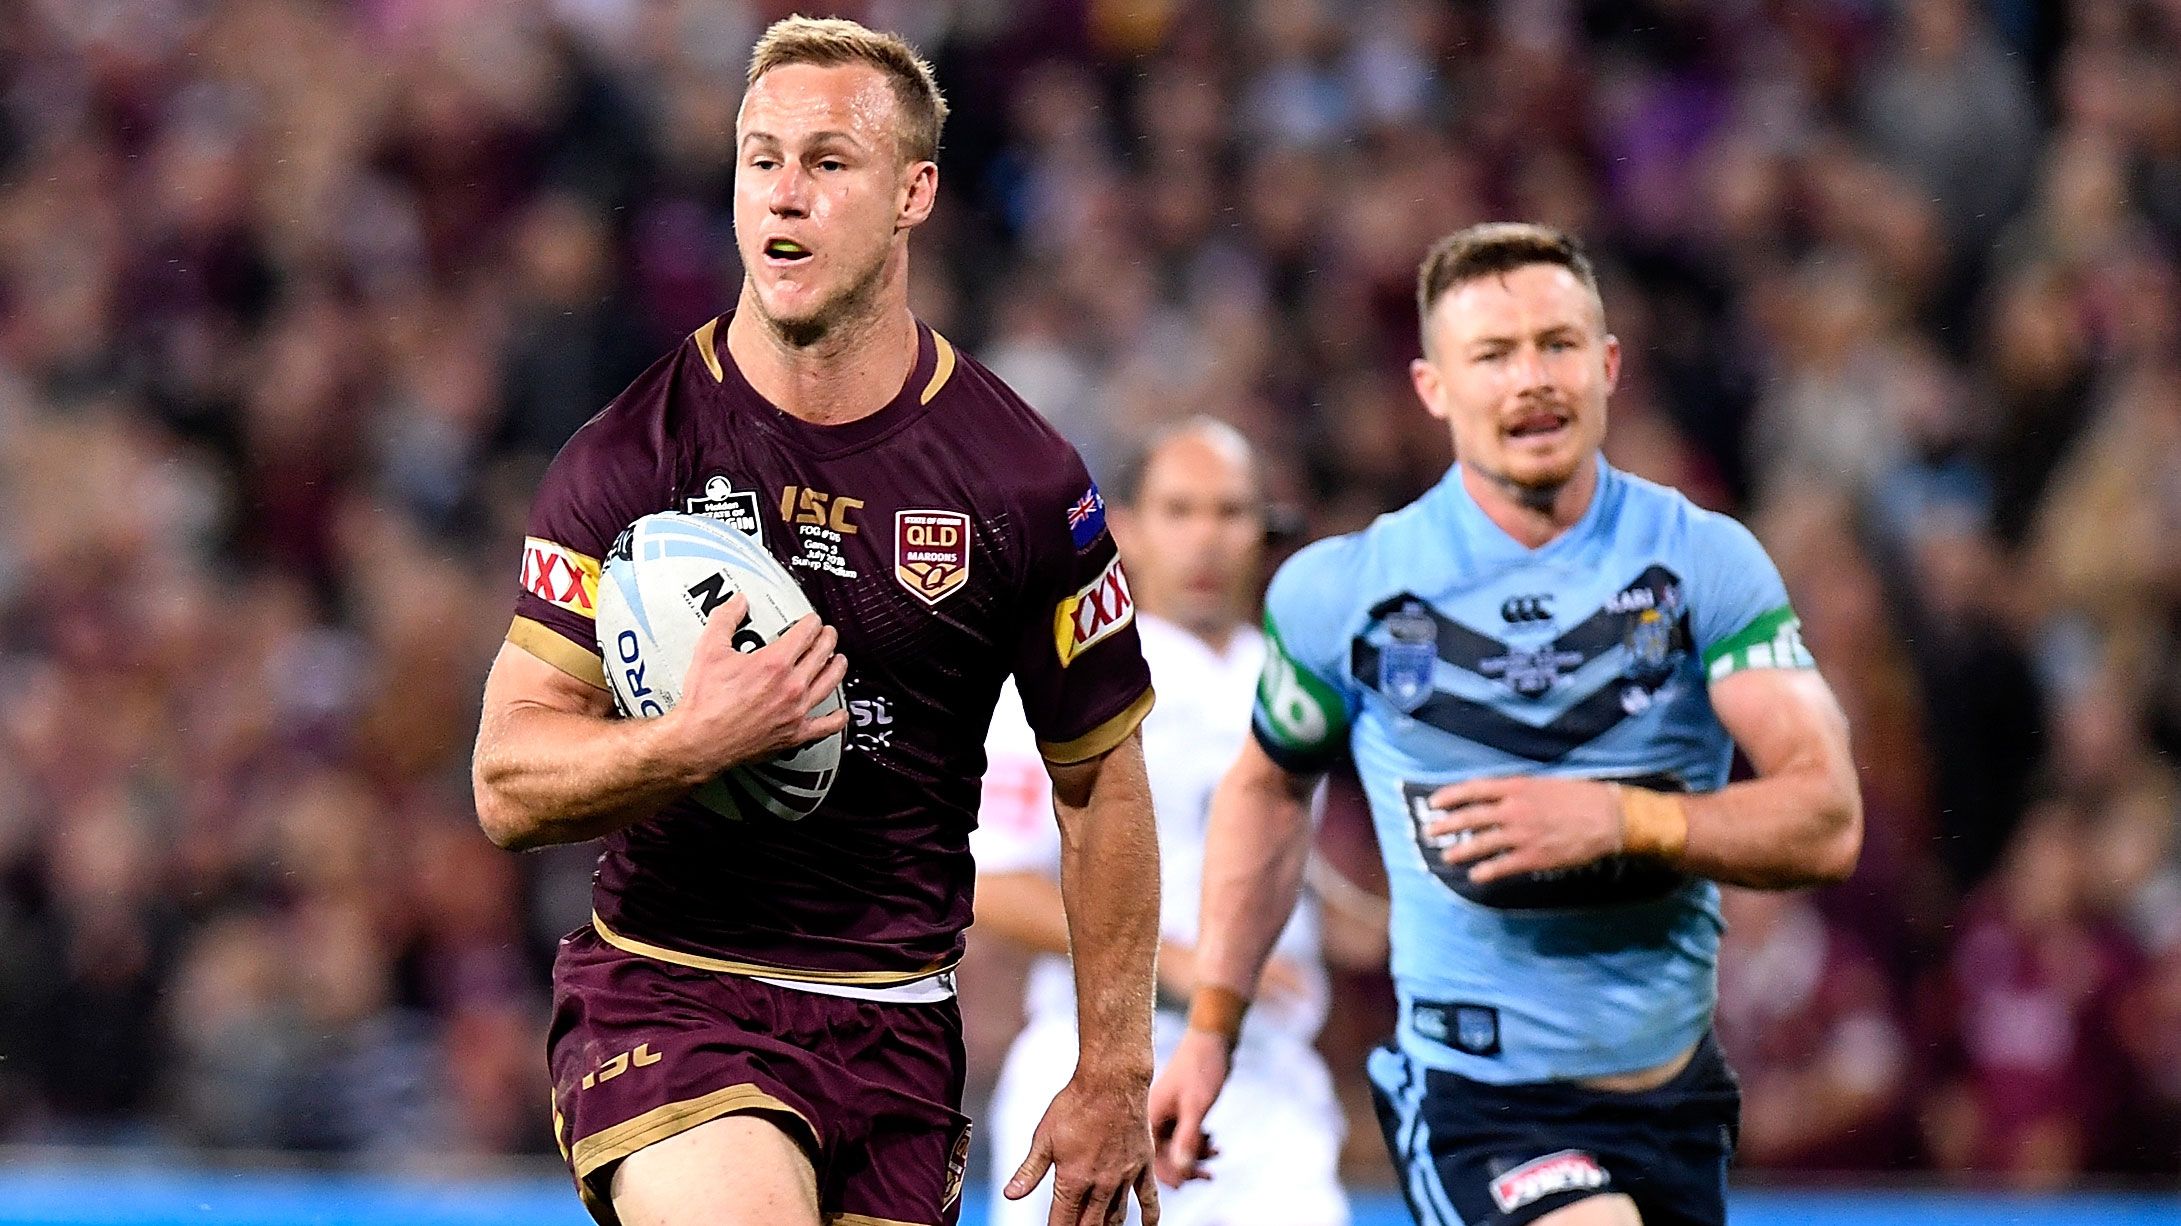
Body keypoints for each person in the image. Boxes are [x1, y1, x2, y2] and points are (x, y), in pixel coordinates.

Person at [470, 18, 1163, 1226]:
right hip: (674, 994)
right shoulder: (629, 459)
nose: (783, 194)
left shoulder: (1021, 480)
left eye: (828, 163)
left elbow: (1099, 779)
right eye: (760, 159)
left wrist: (1114, 1068)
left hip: (897, 1023)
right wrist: (691, 742)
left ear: (914, 192)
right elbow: (507, 777)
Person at [1149, 222, 1864, 1226]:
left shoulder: (1706, 564)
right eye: (1493, 354)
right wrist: (1210, 1027)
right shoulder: (1343, 592)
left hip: (1675, 1094)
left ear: (1608, 365)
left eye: (1558, 344)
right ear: (1434, 387)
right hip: (1477, 1103)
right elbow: (1269, 785)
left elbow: (1827, 817)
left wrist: (1624, 820)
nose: (1532, 377)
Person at [975, 419, 1350, 1226]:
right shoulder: (1064, 676)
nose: (1206, 539)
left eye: (1230, 512)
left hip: (1271, 1083)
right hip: (1099, 1062)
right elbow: (992, 886)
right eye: (1179, 511)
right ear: (1127, 530)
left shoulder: (1291, 676)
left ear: (1264, 529)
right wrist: (1177, 964)